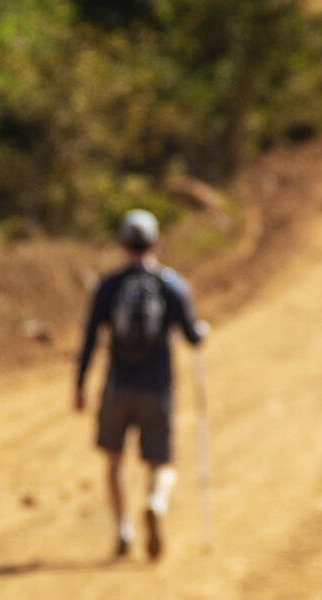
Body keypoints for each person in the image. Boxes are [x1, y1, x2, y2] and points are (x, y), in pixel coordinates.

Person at [75, 208, 205, 561]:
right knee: (160, 462)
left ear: (122, 244)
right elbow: (192, 337)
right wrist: (200, 333)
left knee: (115, 461)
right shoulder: (172, 286)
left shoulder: (109, 287)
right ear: (156, 243)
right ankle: (156, 501)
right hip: (158, 389)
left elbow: (90, 339)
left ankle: (123, 529)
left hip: (117, 387)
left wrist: (80, 385)